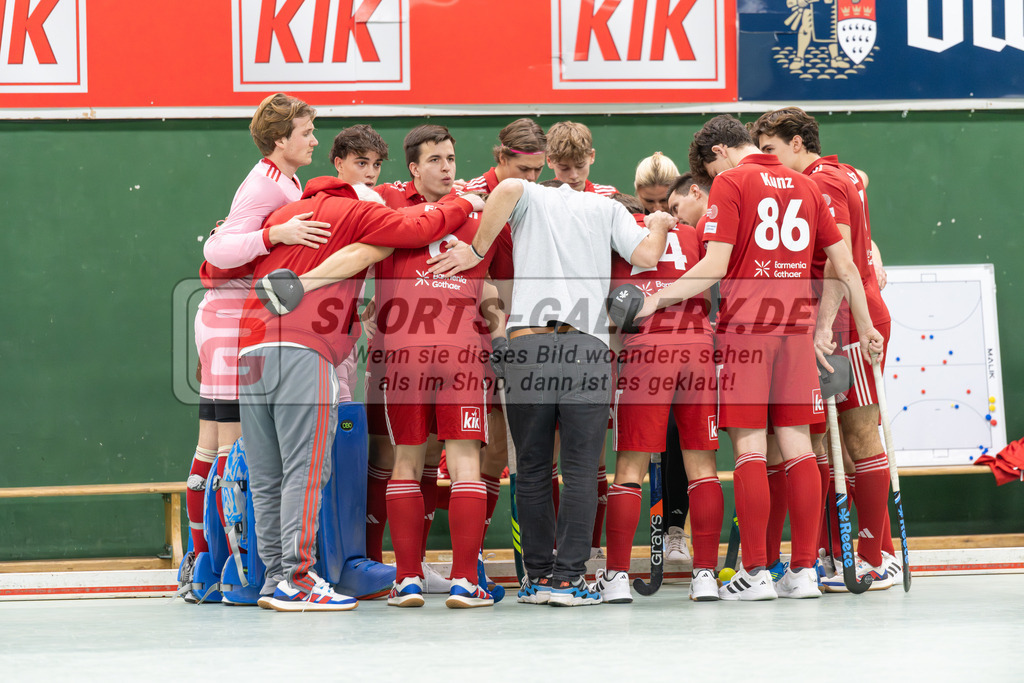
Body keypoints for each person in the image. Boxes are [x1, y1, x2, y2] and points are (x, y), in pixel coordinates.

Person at [634, 114, 883, 601]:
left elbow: (715, 264)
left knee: (749, 450)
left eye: (706, 173)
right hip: (797, 333)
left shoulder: (730, 182)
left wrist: (656, 298)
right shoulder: (805, 185)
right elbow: (847, 264)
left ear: (719, 153)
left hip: (747, 333)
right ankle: (805, 572)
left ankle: (757, 573)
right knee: (800, 451)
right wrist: (868, 326)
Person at [237, 174, 482, 612]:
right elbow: (415, 231)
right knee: (305, 470)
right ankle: (296, 580)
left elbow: (216, 263)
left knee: (266, 475)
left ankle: (274, 578)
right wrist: (463, 203)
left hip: (249, 347)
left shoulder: (285, 214)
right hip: (301, 346)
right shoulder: (358, 210)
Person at [427, 179, 672, 606]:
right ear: (588, 163)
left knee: (534, 471)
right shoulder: (608, 207)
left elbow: (504, 189)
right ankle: (568, 581)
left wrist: (477, 251)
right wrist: (662, 222)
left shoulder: (528, 193)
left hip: (527, 344)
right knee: (579, 472)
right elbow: (648, 256)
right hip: (585, 345)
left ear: (549, 163)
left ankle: (537, 579)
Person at [183, 92, 330, 600]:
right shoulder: (263, 183)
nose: (314, 139)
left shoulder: (285, 179)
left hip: (235, 320)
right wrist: (277, 233)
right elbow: (217, 249)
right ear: (279, 139)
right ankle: (228, 569)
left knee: (216, 446)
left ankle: (208, 565)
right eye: (306, 132)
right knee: (236, 453)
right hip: (231, 321)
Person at [751, 106, 897, 589]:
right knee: (839, 448)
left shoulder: (822, 181)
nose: (766, 161)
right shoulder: (841, 171)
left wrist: (822, 326)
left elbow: (838, 264)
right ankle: (856, 554)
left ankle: (875, 558)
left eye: (770, 149)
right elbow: (867, 181)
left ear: (798, 143)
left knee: (858, 438)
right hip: (848, 319)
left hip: (847, 325)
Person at [596, 192, 723, 603]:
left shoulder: (620, 235)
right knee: (702, 465)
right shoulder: (692, 232)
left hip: (647, 351)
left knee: (629, 466)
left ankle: (615, 577)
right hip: (698, 348)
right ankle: (705, 575)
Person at [545, 121, 617, 195]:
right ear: (549, 161)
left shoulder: (609, 197)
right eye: (564, 168)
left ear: (592, 156)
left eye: (580, 166)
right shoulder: (543, 197)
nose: (574, 176)